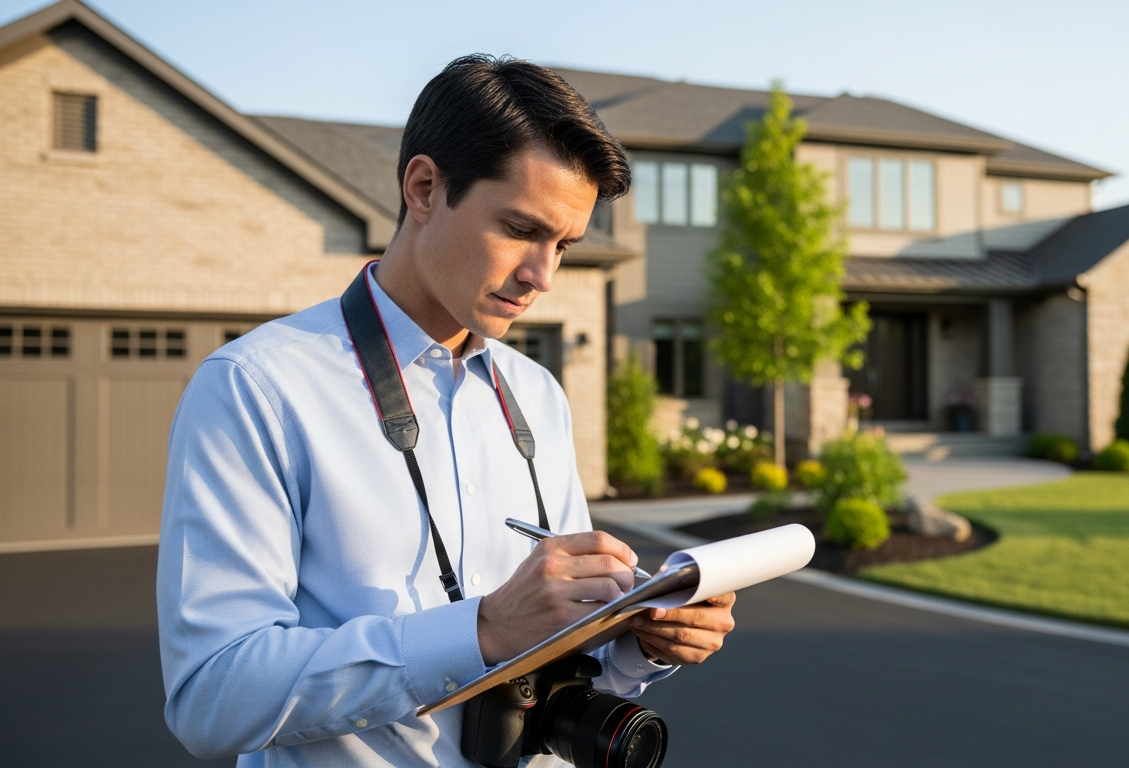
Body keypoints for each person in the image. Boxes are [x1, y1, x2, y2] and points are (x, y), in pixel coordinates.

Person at [156, 55, 736, 766]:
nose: (543, 276)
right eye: (522, 229)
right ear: (424, 187)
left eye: (563, 245)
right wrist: (481, 631)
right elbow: (212, 700)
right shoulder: (257, 387)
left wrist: (638, 640)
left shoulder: (539, 396)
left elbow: (556, 659)